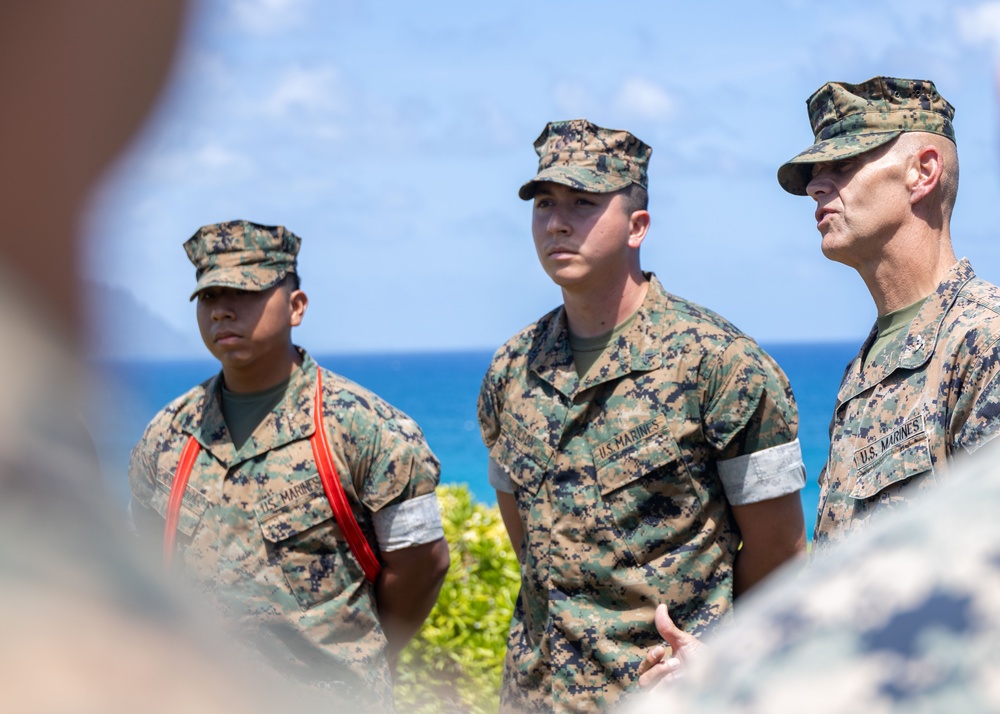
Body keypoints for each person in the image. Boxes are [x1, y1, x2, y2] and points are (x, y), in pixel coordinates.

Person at [638, 75, 1000, 690]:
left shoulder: (982, 342)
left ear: (924, 171)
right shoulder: (869, 367)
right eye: (814, 171)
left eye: (847, 161)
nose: (815, 185)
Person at [477, 119, 808, 712]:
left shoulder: (719, 364)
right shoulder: (514, 368)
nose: (557, 222)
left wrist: (723, 658)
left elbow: (780, 550)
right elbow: (525, 534)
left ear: (638, 227)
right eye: (545, 203)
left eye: (583, 203)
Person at [128, 220, 450, 712]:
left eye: (245, 292)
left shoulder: (365, 430)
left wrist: (355, 665)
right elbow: (149, 564)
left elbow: (422, 565)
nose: (223, 310)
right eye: (209, 296)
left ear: (296, 307)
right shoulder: (168, 434)